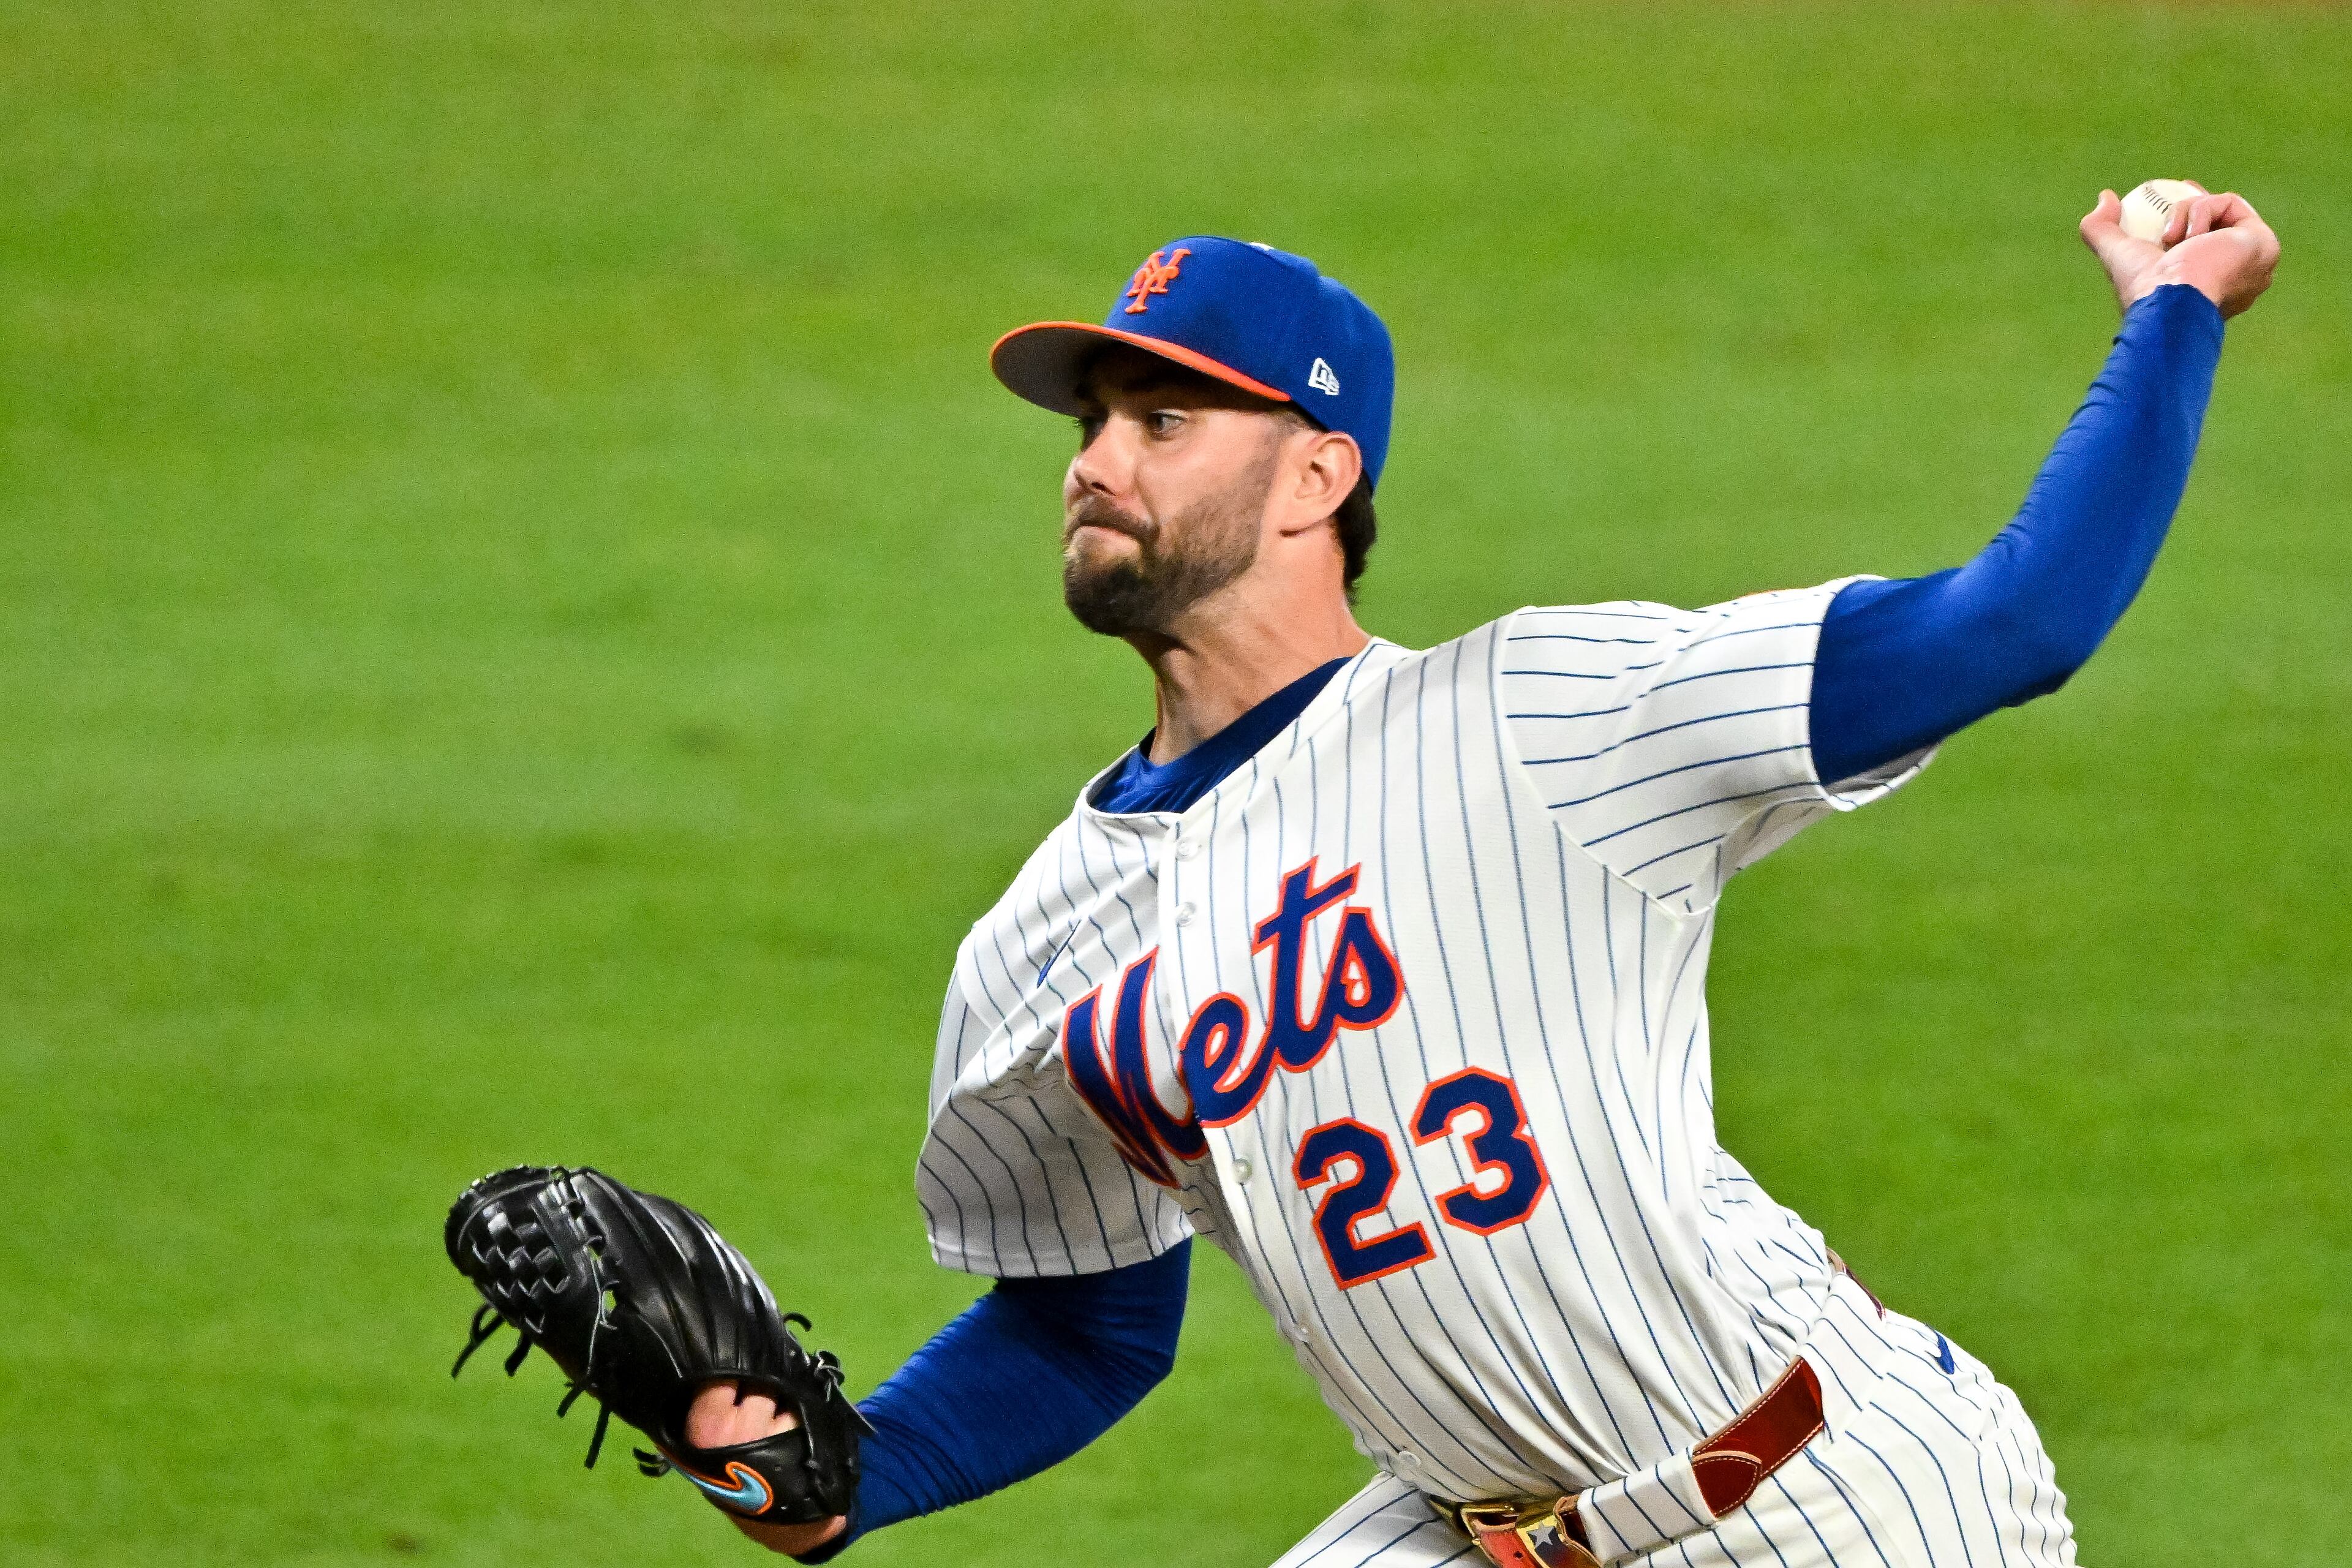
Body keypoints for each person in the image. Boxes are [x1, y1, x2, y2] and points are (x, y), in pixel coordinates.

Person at [687, 190, 2278, 1566]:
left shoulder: (1556, 717)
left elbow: (2016, 624)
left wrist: (2176, 313)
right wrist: (845, 1478)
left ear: (1316, 478)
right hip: (1467, 1523)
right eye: (1091, 420)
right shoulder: (1036, 950)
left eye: (1161, 421)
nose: (1097, 461)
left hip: (1823, 1497)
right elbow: (1085, 1321)